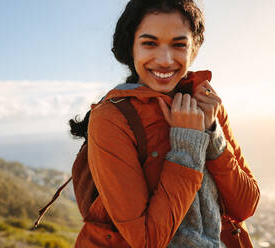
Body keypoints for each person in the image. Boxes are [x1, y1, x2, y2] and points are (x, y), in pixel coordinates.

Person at [70, 0, 260, 247]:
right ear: (131, 47)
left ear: (193, 50)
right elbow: (147, 241)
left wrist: (211, 133)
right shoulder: (111, 118)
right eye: (149, 43)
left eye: (179, 45)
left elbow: (246, 206)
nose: (165, 59)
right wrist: (187, 145)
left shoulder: (206, 103)